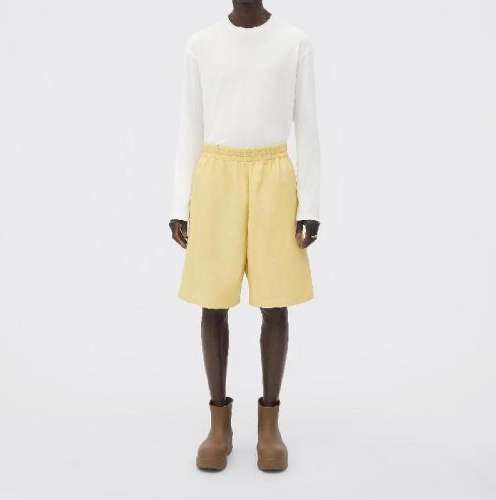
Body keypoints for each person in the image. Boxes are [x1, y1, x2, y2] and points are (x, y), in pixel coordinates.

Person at [169, 0, 321, 472]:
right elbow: (190, 125)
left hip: (274, 173)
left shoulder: (294, 42)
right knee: (212, 301)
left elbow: (307, 127)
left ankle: (269, 427)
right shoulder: (201, 44)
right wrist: (179, 204)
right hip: (215, 176)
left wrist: (310, 205)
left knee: (275, 301)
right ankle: (219, 426)